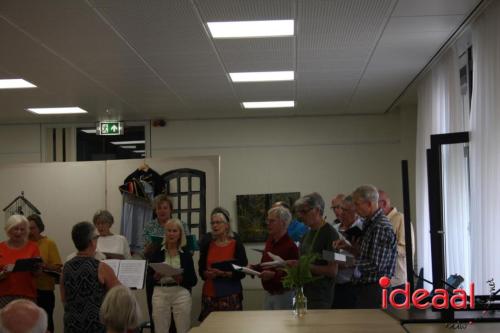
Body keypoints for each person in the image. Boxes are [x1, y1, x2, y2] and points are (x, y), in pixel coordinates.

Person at [334, 185, 397, 308]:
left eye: (357, 204)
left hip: (375, 288)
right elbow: (367, 255)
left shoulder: (380, 226)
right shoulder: (370, 223)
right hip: (365, 287)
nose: (355, 209)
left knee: (371, 326)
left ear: (368, 204)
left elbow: (377, 265)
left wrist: (350, 262)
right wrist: (349, 248)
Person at [61, 221, 120, 333]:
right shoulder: (101, 267)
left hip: (72, 325)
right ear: (92, 242)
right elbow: (120, 295)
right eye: (96, 237)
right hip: (96, 325)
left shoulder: (66, 268)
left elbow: (63, 299)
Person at [142, 194, 189, 332]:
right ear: (155, 210)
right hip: (158, 277)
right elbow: (144, 252)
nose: (162, 211)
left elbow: (187, 249)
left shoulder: (181, 224)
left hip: (178, 281)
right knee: (157, 319)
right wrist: (153, 246)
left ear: (170, 209)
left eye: (165, 207)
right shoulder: (149, 225)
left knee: (179, 323)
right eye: (159, 208)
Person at [146, 218, 197, 333]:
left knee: (183, 329)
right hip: (160, 291)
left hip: (180, 291)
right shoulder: (157, 252)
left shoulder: (186, 254)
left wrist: (181, 278)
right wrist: (155, 277)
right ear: (165, 233)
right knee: (160, 329)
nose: (171, 234)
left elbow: (193, 280)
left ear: (180, 234)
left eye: (175, 231)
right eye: (169, 231)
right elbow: (147, 279)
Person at [198, 207, 248, 321]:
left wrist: (224, 273)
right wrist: (206, 274)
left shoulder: (236, 244)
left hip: (230, 294)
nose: (214, 226)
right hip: (209, 294)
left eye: (218, 222)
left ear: (227, 225)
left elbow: (242, 271)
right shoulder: (207, 244)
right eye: (212, 223)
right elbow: (201, 270)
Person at [293, 193, 340, 309]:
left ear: (318, 210)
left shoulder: (330, 234)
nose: (300, 216)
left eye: (304, 211)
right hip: (304, 293)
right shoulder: (306, 234)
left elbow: (332, 270)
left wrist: (306, 266)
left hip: (320, 298)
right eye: (298, 212)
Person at [255, 206, 299, 309]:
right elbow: (265, 264)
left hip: (284, 295)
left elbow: (294, 277)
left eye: (272, 221)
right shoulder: (270, 241)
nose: (268, 224)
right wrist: (253, 268)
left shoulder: (291, 246)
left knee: (282, 325)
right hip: (268, 293)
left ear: (283, 223)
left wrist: (273, 276)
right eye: (268, 220)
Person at [28, 214, 62, 333]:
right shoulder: (24, 244)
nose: (30, 231)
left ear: (40, 228)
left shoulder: (49, 243)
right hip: (27, 291)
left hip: (45, 291)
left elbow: (58, 268)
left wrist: (44, 265)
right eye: (28, 228)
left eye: (33, 228)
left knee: (46, 325)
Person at [378, 190, 415, 297]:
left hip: (397, 283)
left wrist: (382, 247)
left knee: (398, 314)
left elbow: (407, 250)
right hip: (382, 281)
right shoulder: (378, 221)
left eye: (373, 203)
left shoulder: (401, 219)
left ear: (383, 203)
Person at [0, 214, 40, 308]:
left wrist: (36, 269)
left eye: (22, 229)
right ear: (9, 230)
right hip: (4, 296)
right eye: (15, 229)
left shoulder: (33, 247)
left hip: (27, 296)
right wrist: (2, 274)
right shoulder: (0, 248)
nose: (19, 232)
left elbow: (38, 274)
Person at [331, 196, 363, 309]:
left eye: (344, 210)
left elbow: (359, 260)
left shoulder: (362, 229)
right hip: (334, 284)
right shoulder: (333, 228)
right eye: (334, 208)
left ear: (356, 212)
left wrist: (335, 260)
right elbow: (325, 254)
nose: (339, 213)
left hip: (353, 285)